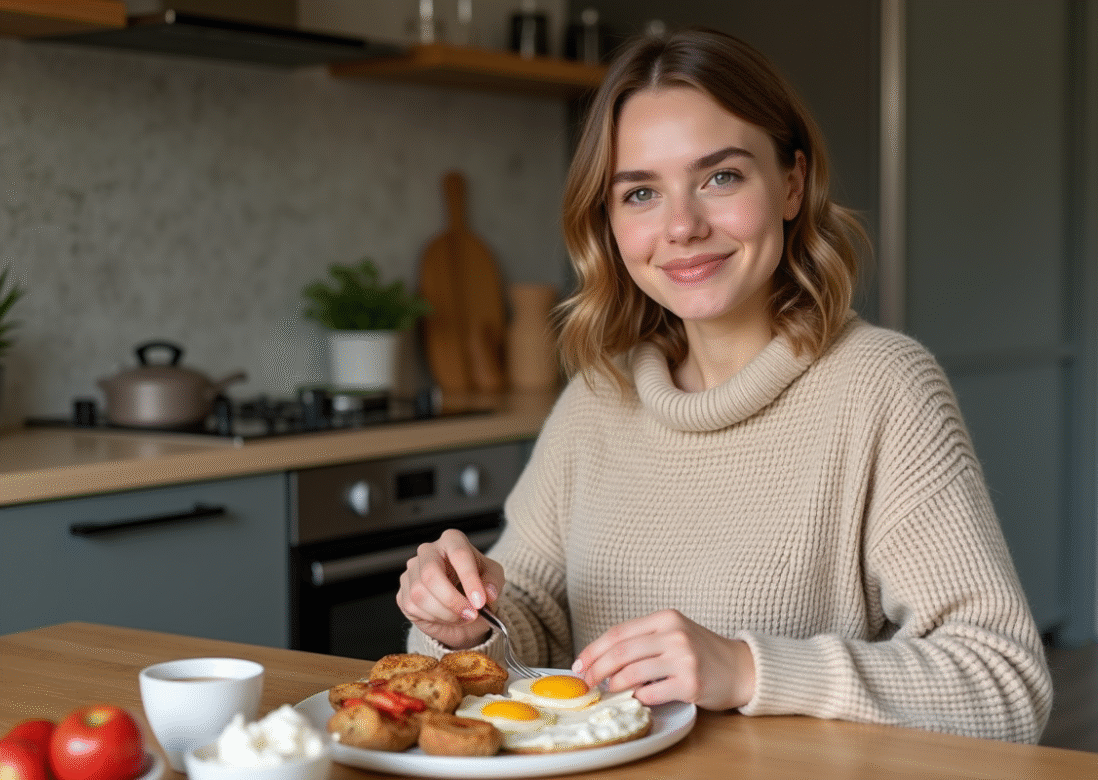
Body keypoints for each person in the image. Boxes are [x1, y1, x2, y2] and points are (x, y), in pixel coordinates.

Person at [397, 27, 1053, 743]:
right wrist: (463, 623)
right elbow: (526, 617)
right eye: (640, 192)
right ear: (609, 223)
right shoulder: (597, 398)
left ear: (792, 184)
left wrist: (745, 669)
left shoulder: (883, 387)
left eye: (721, 178)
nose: (681, 226)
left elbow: (1005, 684)